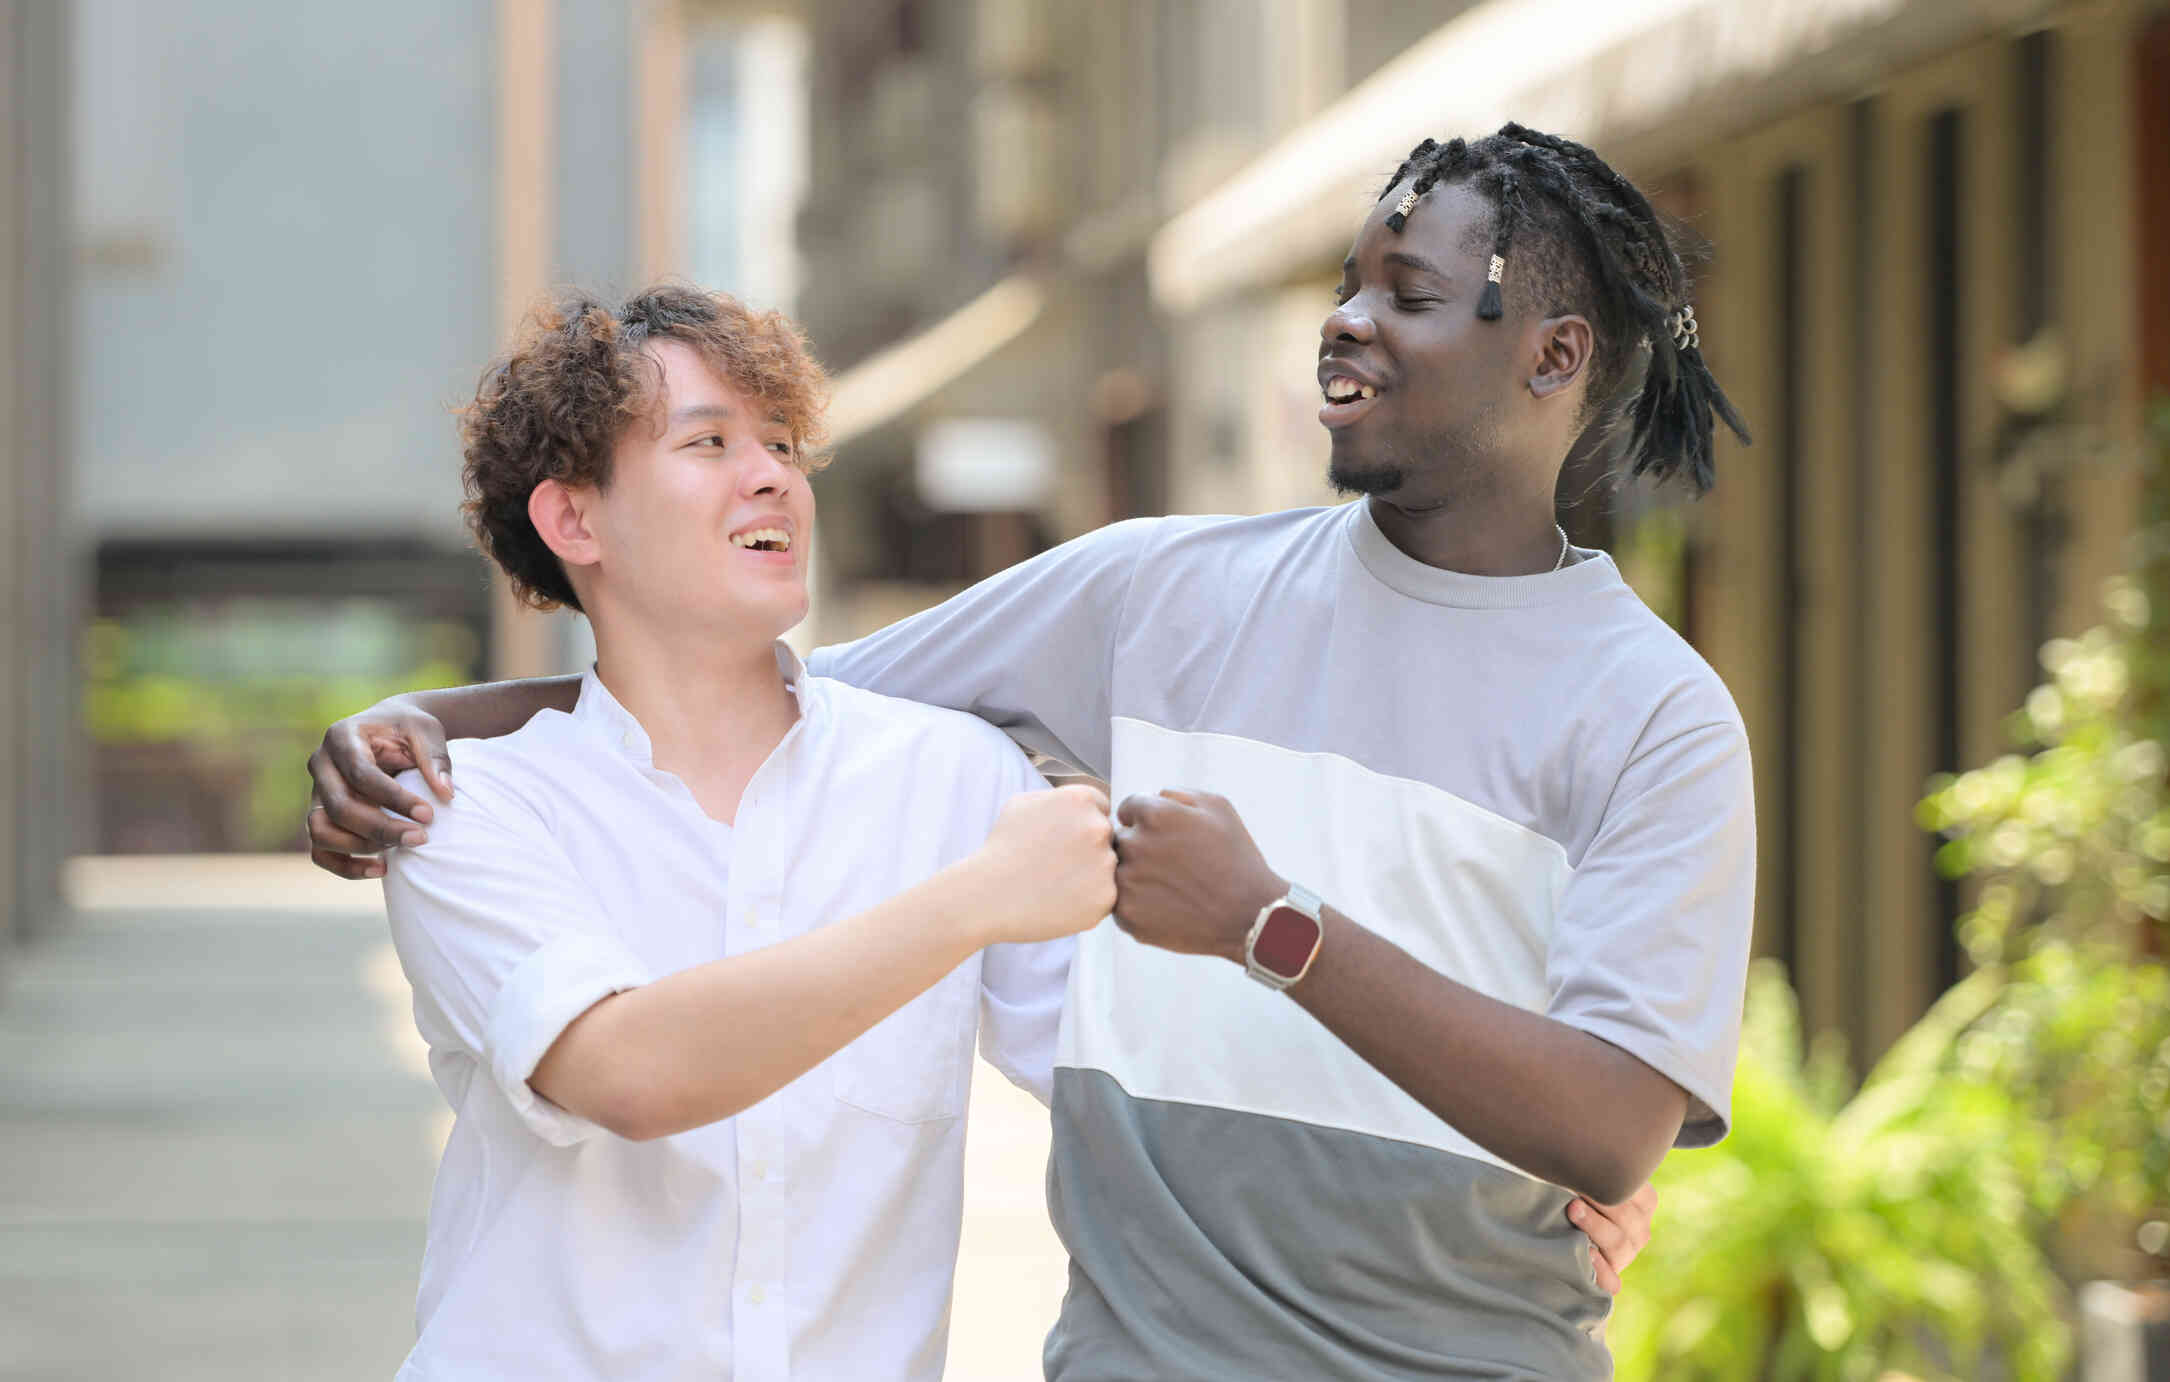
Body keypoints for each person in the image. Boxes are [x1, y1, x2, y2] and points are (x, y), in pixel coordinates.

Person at [314, 123, 1740, 1379]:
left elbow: (1574, 1109)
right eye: (1346, 287)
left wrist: (1543, 1135)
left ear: (1554, 355)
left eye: (1408, 296)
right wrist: (415, 728)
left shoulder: (1652, 712)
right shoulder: (1142, 598)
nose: (1347, 325)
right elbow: (745, 693)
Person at [367, 284, 1119, 1380]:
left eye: (779, 440)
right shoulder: (466, 809)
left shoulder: (954, 777)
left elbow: (1134, 1083)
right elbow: (627, 1069)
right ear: (574, 520)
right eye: (707, 441)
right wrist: (977, 897)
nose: (771, 473)